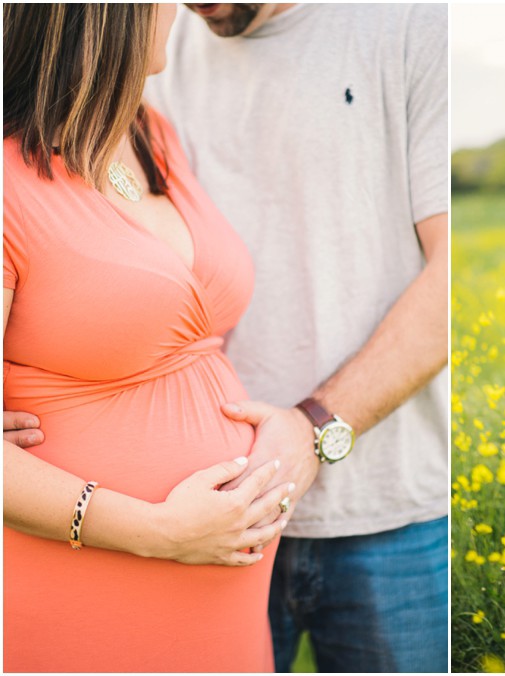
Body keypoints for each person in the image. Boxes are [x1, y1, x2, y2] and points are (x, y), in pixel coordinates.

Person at [142, 4, 449, 672]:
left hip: (389, 516)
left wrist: (315, 428)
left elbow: (451, 275)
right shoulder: (155, 53)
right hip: (210, 516)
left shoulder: (413, 24)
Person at [2, 4, 295, 672]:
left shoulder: (152, 135)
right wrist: (157, 532)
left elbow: (194, 348)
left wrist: (282, 431)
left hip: (224, 603)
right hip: (83, 582)